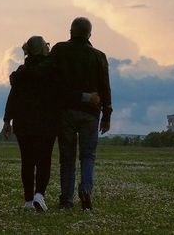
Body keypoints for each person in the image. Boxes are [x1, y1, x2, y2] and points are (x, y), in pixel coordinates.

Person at [51, 17, 112, 210]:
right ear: (89, 34)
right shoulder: (99, 56)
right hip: (91, 114)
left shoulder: (59, 50)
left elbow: (54, 84)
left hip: (66, 111)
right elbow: (105, 87)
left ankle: (66, 200)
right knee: (88, 156)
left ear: (70, 31)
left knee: (67, 157)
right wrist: (107, 114)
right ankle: (86, 190)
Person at [2, 36, 58, 211]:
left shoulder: (21, 72)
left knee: (27, 161)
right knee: (44, 160)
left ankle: (28, 200)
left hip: (23, 123)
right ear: (43, 49)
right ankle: (39, 195)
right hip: (47, 122)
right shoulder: (51, 71)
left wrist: (7, 120)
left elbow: (13, 98)